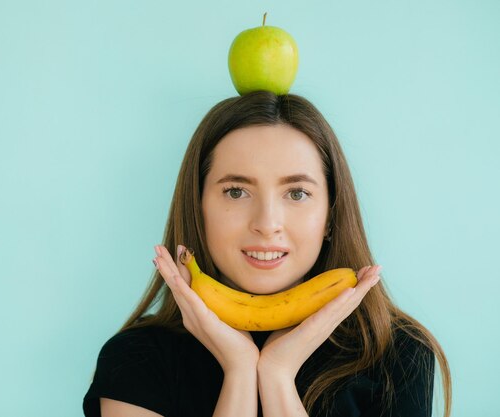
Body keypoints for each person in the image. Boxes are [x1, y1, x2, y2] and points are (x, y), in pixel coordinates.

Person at [82, 91, 452, 417]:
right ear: (198, 208)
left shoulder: (398, 353)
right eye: (236, 192)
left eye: (296, 194)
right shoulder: (134, 360)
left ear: (330, 216)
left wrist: (276, 377)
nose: (267, 223)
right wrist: (240, 372)